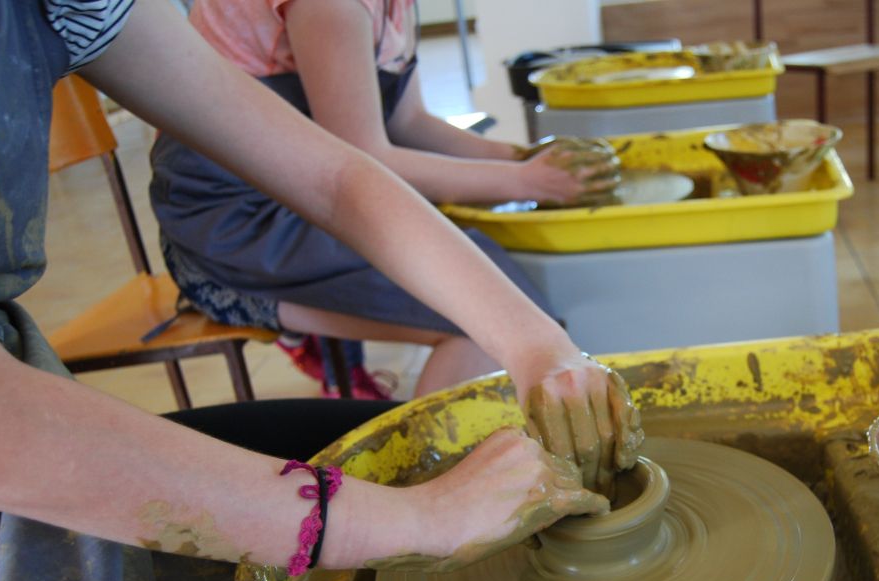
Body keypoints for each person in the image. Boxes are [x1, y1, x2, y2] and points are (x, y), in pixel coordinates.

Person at [0, 0, 641, 581]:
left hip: (16, 393)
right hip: (1, 466)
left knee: (387, 444)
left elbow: (335, 173)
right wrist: (419, 521)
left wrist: (537, 345)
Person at [149, 0, 621, 400]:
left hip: (309, 188)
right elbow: (361, 158)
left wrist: (522, 159)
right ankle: (429, 473)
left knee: (498, 292)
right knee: (485, 321)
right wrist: (527, 182)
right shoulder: (331, 7)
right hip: (237, 220)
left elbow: (408, 122)